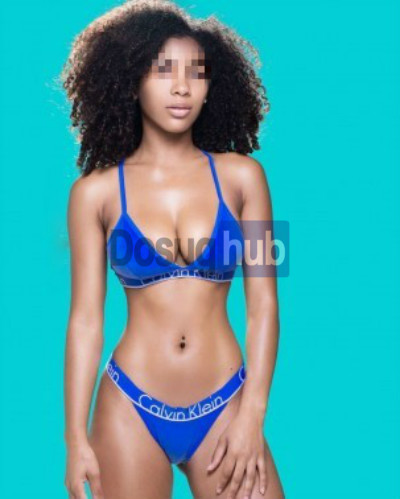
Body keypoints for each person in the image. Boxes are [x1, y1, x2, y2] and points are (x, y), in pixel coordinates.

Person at [60, 1, 284, 498]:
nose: (182, 87)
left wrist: (252, 415)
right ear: (131, 81)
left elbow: (265, 306)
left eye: (196, 73)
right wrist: (74, 437)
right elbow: (85, 321)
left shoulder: (245, 178)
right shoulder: (93, 194)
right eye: (164, 71)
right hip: (129, 405)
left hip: (225, 403)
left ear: (211, 86)